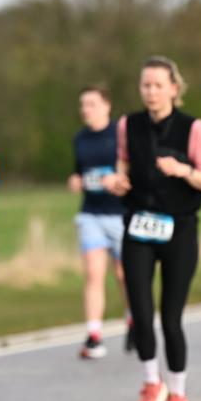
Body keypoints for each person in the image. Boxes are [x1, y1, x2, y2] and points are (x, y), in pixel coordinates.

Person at [105, 56, 201, 401]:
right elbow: (122, 164)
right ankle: (152, 383)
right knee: (140, 310)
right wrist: (116, 181)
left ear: (174, 88)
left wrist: (183, 170)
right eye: (145, 85)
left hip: (180, 229)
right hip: (138, 224)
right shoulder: (128, 125)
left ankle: (179, 393)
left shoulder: (193, 128)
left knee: (171, 317)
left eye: (157, 85)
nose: (150, 92)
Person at [68, 85, 132, 358]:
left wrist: (119, 181)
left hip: (121, 215)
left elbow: (135, 175)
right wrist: (76, 180)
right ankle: (94, 335)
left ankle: (134, 321)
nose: (86, 109)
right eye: (83, 104)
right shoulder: (80, 139)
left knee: (123, 275)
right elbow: (79, 172)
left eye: (91, 104)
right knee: (94, 273)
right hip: (91, 214)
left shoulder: (122, 135)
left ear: (107, 106)